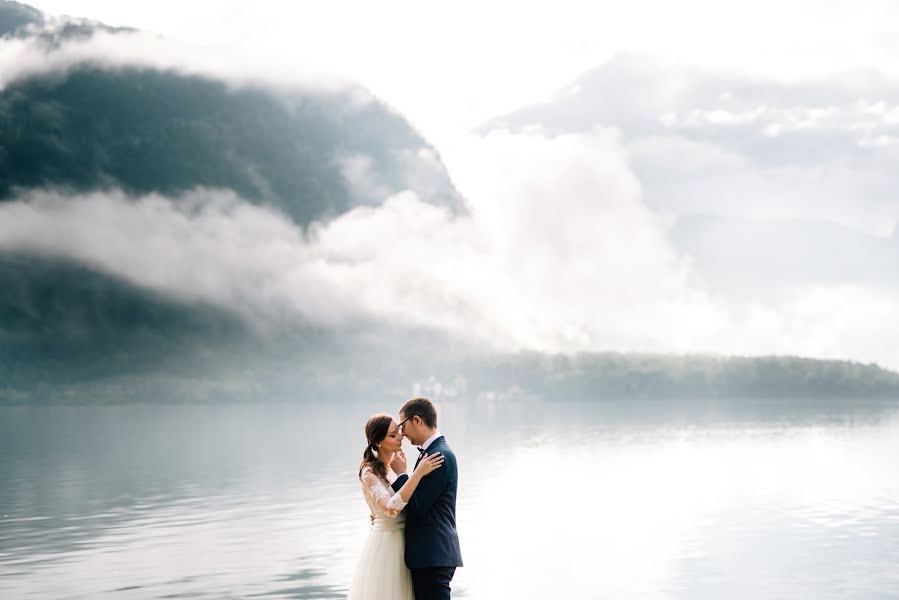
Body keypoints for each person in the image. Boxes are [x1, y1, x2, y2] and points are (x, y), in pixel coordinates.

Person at [347, 413, 444, 600]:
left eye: (399, 431)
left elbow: (405, 500)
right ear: (378, 442)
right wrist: (416, 474)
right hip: (386, 546)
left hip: (406, 544)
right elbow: (391, 508)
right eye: (393, 435)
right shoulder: (369, 471)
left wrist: (404, 473)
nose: (400, 437)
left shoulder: (393, 467)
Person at [390, 397, 463, 600]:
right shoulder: (433, 452)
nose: (402, 433)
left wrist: (402, 476)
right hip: (431, 555)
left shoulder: (438, 456)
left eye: (403, 426)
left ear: (417, 420)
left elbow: (414, 507)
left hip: (433, 555)